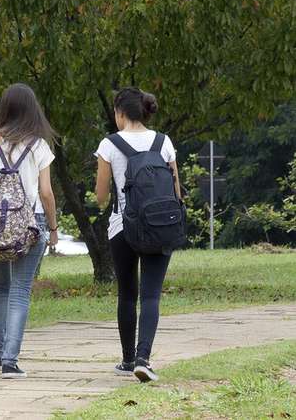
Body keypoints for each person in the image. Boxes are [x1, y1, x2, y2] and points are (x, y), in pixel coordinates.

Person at [0, 83, 59, 379]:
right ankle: (10, 361)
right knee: (20, 290)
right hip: (30, 227)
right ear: (32, 110)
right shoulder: (38, 145)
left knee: (0, 288)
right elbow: (46, 192)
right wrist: (52, 228)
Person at [94, 87, 181, 383]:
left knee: (128, 294)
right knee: (152, 295)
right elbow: (176, 191)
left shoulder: (109, 144)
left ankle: (128, 358)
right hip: (160, 225)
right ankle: (144, 358)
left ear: (120, 112)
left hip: (123, 227)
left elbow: (101, 195)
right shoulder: (164, 141)